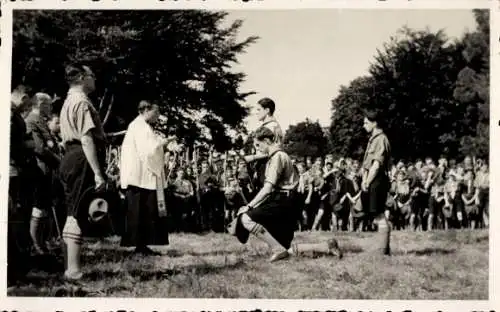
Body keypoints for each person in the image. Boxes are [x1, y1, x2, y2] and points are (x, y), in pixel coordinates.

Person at [230, 127, 342, 262]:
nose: (257, 149)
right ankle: (326, 246)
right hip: (287, 200)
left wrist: (249, 206)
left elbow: (268, 188)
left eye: (258, 145)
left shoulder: (277, 157)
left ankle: (278, 250)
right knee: (287, 248)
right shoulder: (277, 155)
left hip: (284, 200)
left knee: (246, 219)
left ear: (266, 140)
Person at [58, 64, 107, 280]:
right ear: (80, 77)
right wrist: (97, 172)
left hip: (70, 156)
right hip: (81, 157)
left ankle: (69, 267)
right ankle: (74, 271)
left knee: (71, 212)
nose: (94, 79)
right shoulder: (82, 102)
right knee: (77, 215)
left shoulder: (68, 101)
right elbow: (86, 138)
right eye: (92, 75)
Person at [120, 100, 177, 254]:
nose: (158, 116)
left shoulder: (143, 127)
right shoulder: (139, 127)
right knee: (141, 211)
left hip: (144, 176)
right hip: (140, 176)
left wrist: (163, 143)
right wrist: (166, 142)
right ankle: (139, 245)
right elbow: (149, 151)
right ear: (146, 110)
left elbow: (151, 145)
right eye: (156, 113)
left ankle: (142, 245)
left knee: (146, 211)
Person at [361, 110, 391, 256]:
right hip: (372, 179)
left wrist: (367, 181)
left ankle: (383, 251)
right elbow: (367, 164)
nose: (363, 125)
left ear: (375, 123)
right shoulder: (373, 139)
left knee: (379, 215)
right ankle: (383, 249)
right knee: (376, 214)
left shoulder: (381, 139)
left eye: (366, 122)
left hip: (377, 179)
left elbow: (376, 164)